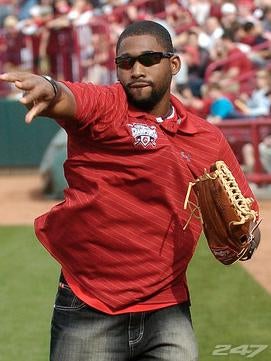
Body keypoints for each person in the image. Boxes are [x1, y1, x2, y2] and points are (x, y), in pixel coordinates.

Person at [0, 20, 261, 361]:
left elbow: (248, 217)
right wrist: (49, 88)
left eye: (149, 59)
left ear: (174, 64)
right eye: (125, 63)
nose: (136, 70)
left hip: (168, 308)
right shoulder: (108, 107)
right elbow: (70, 96)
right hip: (90, 302)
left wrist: (243, 238)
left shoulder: (206, 140)